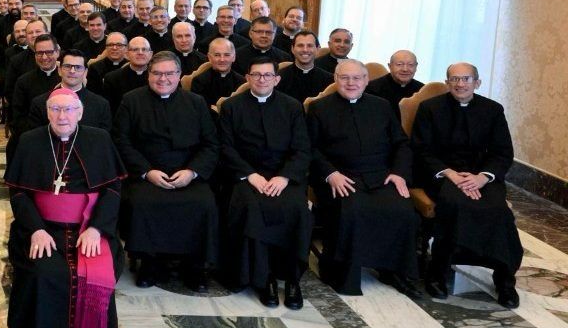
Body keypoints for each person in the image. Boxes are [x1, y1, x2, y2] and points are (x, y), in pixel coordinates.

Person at [5, 88, 126, 328]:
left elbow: (112, 189)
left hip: (89, 228)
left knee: (93, 276)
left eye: (69, 110)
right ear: (47, 112)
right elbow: (19, 192)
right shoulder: (30, 141)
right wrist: (36, 230)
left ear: (80, 113)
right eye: (56, 110)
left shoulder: (99, 140)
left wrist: (97, 228)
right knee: (46, 273)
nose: (62, 116)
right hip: (43, 229)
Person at [411, 63, 521, 307]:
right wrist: (449, 173)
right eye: (455, 79)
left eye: (466, 79)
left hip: (483, 176)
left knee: (499, 211)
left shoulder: (492, 110)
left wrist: (483, 177)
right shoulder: (430, 108)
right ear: (447, 82)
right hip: (443, 175)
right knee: (453, 206)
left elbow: (503, 152)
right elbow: (421, 150)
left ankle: (504, 280)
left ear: (477, 83)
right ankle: (437, 272)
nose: (460, 84)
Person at [307, 60, 419, 296]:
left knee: (402, 209)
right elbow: (310, 149)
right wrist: (330, 174)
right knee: (353, 209)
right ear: (335, 79)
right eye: (345, 78)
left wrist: (399, 173)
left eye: (357, 78)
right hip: (341, 176)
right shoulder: (319, 108)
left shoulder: (382, 106)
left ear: (366, 80)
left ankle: (393, 270)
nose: (351, 83)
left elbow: (401, 143)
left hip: (381, 176)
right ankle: (345, 274)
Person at [112, 51, 220, 290]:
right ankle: (150, 264)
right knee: (143, 202)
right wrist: (146, 172)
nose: (163, 79)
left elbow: (211, 144)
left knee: (204, 203)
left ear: (179, 75)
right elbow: (121, 141)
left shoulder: (196, 103)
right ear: (148, 75)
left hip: (187, 172)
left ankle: (194, 266)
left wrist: (192, 172)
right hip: (146, 173)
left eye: (169, 73)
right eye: (157, 73)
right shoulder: (131, 100)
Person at [218, 59, 312, 309]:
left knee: (296, 208)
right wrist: (250, 175)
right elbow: (226, 148)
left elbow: (302, 149)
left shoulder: (292, 107)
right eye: (256, 75)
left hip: (284, 177)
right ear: (247, 77)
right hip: (247, 176)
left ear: (276, 80)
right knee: (253, 207)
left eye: (267, 75)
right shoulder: (231, 107)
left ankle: (292, 279)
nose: (262, 80)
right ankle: (264, 278)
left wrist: (284, 177)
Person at [28, 50, 112, 134]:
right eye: (67, 66)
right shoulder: (40, 103)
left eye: (78, 67)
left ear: (85, 72)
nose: (72, 71)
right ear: (59, 70)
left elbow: (102, 141)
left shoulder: (101, 105)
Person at [8, 35, 62, 149]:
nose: (44, 57)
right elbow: (18, 117)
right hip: (33, 137)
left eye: (49, 52)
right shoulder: (23, 81)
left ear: (57, 52)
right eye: (39, 53)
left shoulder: (66, 80)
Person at [101, 36, 153, 115]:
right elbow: (110, 110)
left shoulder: (158, 78)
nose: (140, 52)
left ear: (150, 54)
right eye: (135, 49)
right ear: (127, 54)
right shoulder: (112, 78)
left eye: (144, 49)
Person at [277, 30, 333, 102]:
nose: (305, 50)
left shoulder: (329, 79)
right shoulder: (279, 77)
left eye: (310, 46)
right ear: (292, 49)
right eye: (300, 45)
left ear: (317, 49)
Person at [190, 38, 244, 108]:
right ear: (209, 57)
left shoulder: (241, 82)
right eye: (217, 55)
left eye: (226, 55)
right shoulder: (199, 82)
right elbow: (199, 109)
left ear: (233, 57)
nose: (222, 59)